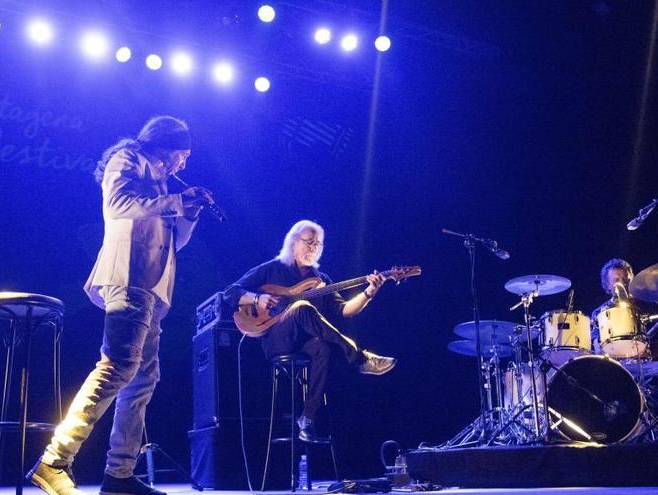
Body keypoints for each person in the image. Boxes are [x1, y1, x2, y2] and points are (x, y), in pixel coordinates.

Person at [28, 116, 214, 495]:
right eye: (183, 154)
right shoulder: (128, 159)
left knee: (142, 379)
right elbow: (118, 204)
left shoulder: (162, 183)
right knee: (116, 368)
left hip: (150, 290)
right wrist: (177, 199)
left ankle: (119, 475)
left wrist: (189, 213)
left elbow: (173, 243)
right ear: (165, 145)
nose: (184, 164)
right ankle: (54, 461)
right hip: (127, 280)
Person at [223, 220, 397, 442]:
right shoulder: (273, 269)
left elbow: (344, 310)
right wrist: (258, 298)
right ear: (294, 243)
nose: (313, 248)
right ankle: (360, 358)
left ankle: (308, 419)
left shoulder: (321, 280)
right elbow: (230, 292)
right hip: (277, 339)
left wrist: (370, 290)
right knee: (301, 307)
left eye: (318, 244)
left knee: (323, 348)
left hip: (306, 343)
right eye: (309, 242)